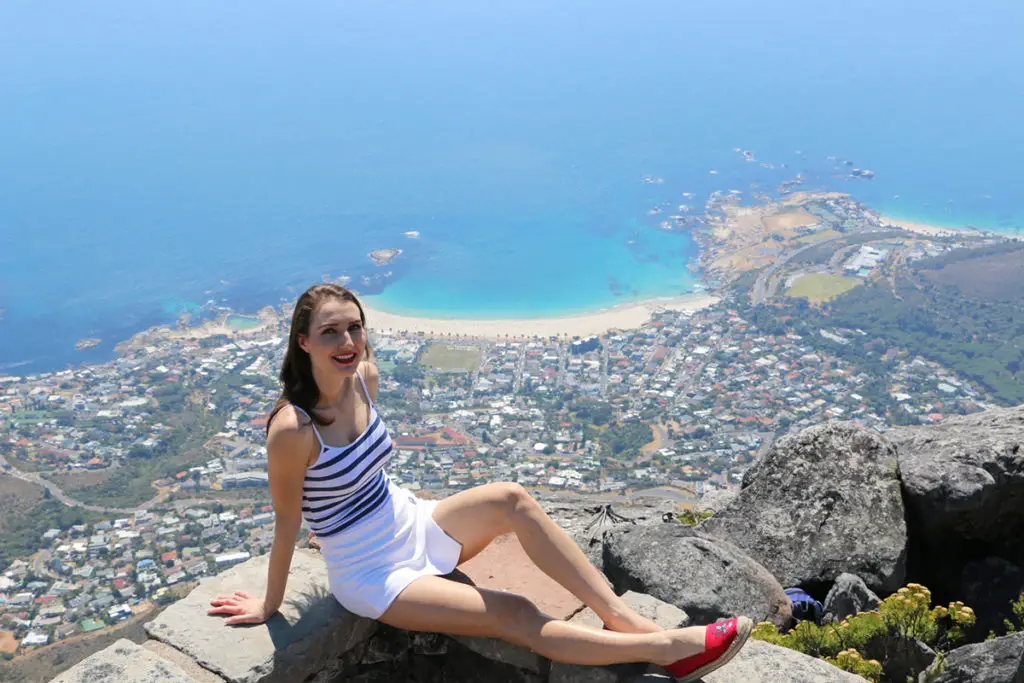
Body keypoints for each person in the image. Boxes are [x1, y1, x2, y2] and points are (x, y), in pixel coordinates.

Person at [208, 284, 751, 681]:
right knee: (511, 613)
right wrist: (269, 604)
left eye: (354, 326)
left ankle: (623, 619)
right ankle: (667, 650)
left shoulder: (365, 379)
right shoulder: (292, 428)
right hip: (371, 571)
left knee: (511, 497)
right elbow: (287, 520)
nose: (348, 340)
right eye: (330, 331)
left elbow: (365, 474)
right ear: (302, 342)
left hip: (407, 519)